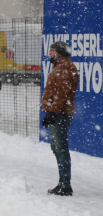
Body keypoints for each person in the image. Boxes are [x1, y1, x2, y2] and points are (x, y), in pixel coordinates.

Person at [42, 41, 78, 196]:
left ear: (59, 53)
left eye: (52, 51)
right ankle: (62, 183)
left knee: (60, 148)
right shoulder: (59, 66)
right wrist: (50, 110)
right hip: (57, 112)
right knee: (56, 148)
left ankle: (65, 185)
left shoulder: (65, 68)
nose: (49, 53)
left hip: (60, 114)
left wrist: (53, 112)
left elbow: (62, 93)